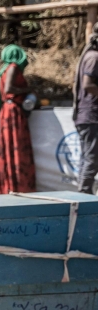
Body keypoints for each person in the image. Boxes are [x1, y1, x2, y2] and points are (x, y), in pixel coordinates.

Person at [0, 45, 35, 194]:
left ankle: (11, 185)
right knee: (16, 147)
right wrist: (27, 90)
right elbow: (9, 89)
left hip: (8, 112)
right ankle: (17, 186)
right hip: (13, 113)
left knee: (10, 148)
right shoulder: (12, 68)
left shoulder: (5, 69)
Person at [73, 22, 98, 194]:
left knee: (88, 157)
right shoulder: (94, 57)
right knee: (91, 158)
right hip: (91, 116)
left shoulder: (90, 55)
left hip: (87, 116)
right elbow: (88, 84)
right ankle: (84, 196)